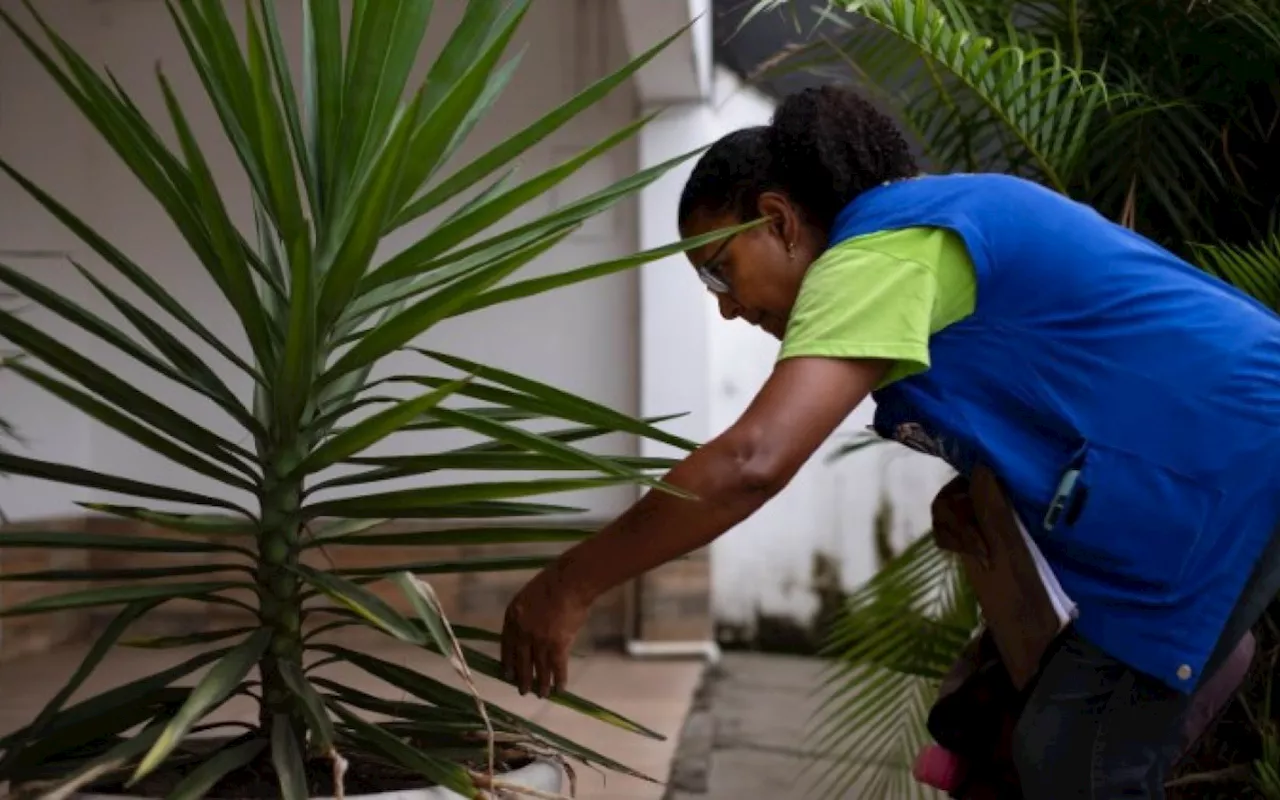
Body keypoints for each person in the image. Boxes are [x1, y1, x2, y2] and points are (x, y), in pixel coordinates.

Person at [499, 84, 1280, 798]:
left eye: (718, 272)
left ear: (778, 220)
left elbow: (752, 463)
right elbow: (1063, 377)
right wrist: (978, 487)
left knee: (1072, 757)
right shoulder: (915, 234)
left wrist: (568, 583)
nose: (727, 309)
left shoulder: (877, 250)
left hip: (1235, 458)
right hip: (1219, 465)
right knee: (1026, 751)